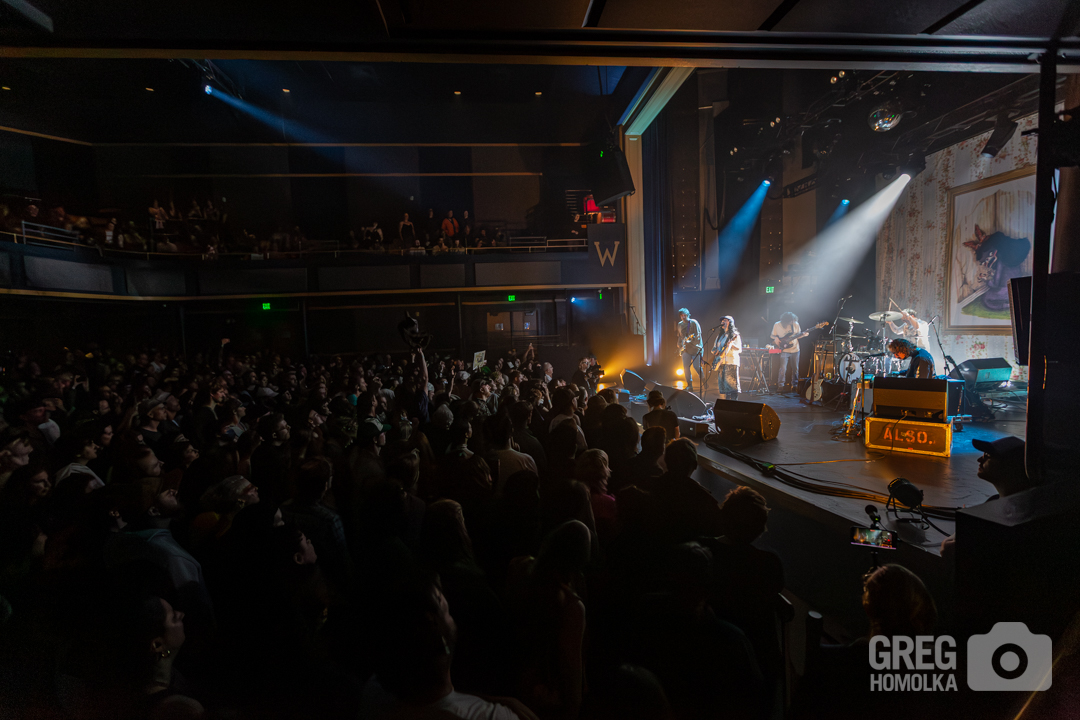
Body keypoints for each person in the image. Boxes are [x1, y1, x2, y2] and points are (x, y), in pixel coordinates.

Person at [712, 315, 742, 401]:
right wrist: (715, 351)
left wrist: (731, 345)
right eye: (722, 320)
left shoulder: (734, 335)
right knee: (725, 387)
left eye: (725, 320)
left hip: (731, 362)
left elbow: (740, 349)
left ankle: (734, 403)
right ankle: (727, 403)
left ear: (730, 323)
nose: (723, 322)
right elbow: (714, 348)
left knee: (732, 386)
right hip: (721, 362)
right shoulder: (720, 336)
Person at [770, 312, 801, 393]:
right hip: (784, 350)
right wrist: (776, 338)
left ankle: (795, 385)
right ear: (785, 321)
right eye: (791, 321)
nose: (792, 322)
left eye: (793, 320)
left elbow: (799, 335)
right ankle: (780, 385)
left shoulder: (796, 324)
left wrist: (804, 335)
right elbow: (772, 335)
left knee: (795, 368)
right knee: (783, 368)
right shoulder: (777, 325)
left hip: (795, 349)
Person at [676, 308, 703, 394]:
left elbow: (698, 335)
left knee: (696, 366)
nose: (683, 317)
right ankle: (689, 385)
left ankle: (703, 380)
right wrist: (679, 344)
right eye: (681, 315)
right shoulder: (680, 324)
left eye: (684, 315)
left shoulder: (693, 322)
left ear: (688, 315)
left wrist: (691, 340)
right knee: (686, 367)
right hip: (685, 349)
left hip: (695, 348)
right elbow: (679, 336)